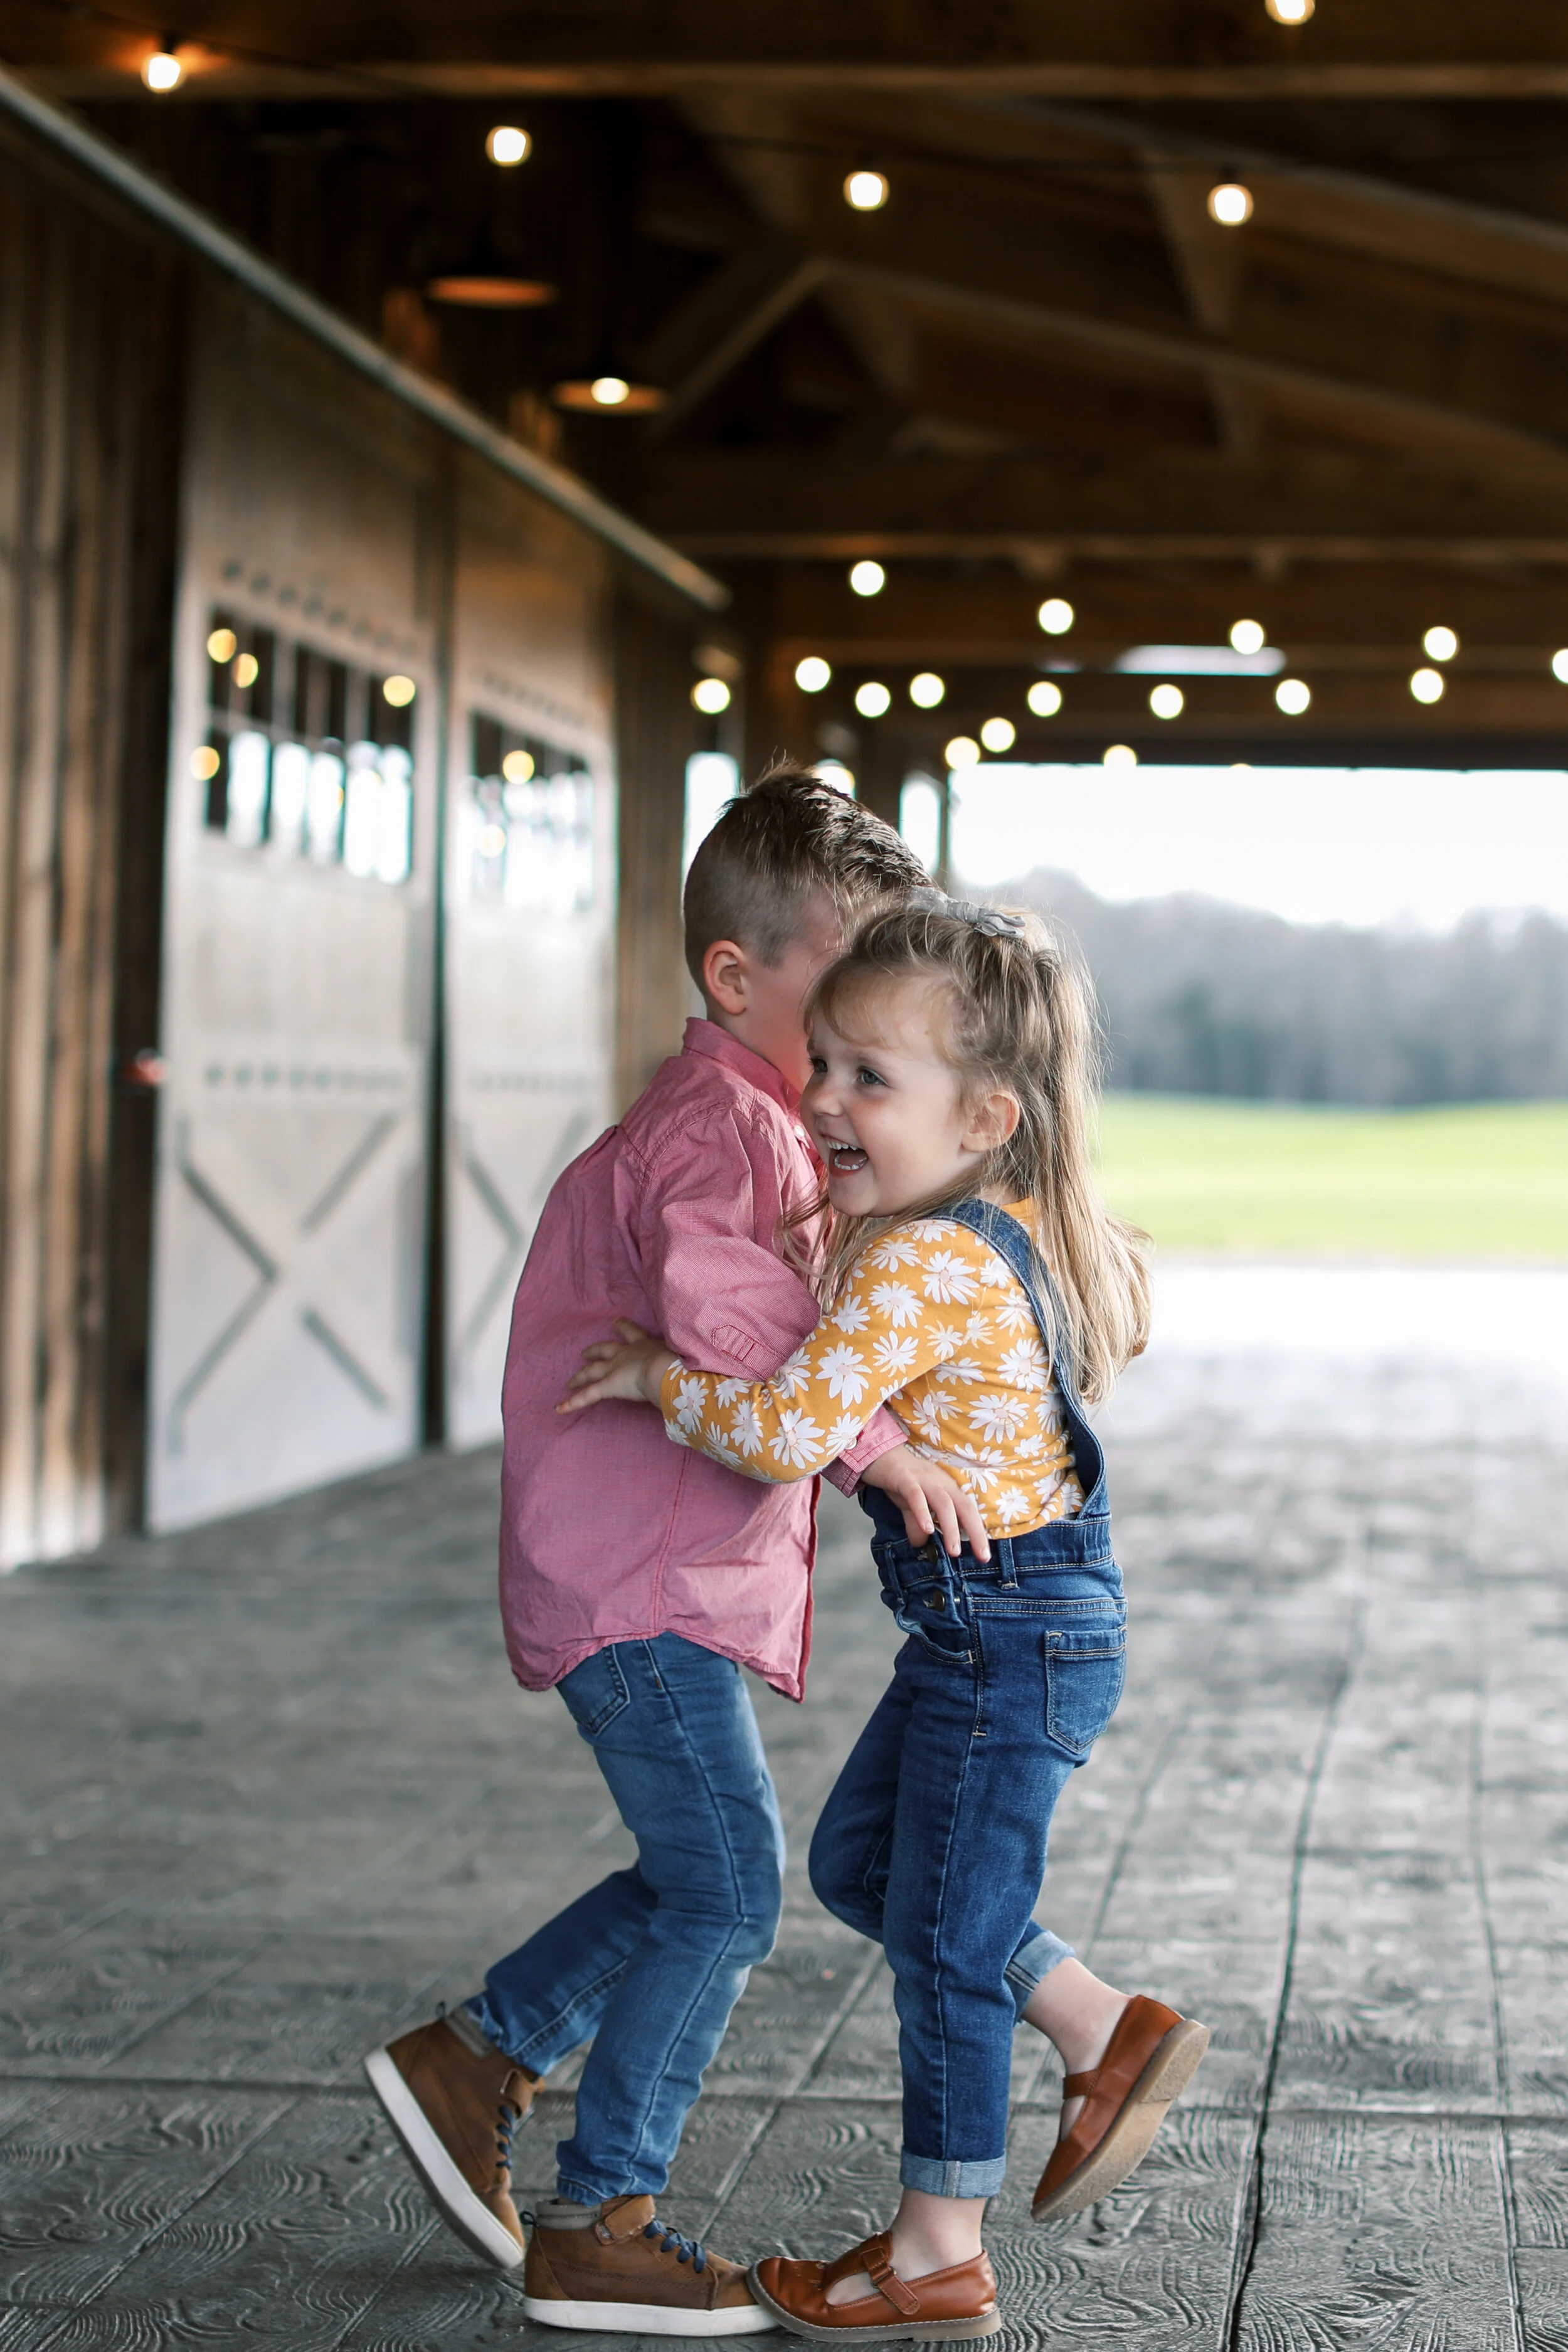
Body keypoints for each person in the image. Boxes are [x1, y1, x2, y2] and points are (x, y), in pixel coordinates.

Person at [364, 768, 980, 2336]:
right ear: (736, 978)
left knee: (695, 1875)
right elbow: (739, 1329)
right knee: (726, 1890)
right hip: (638, 1578)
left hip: (650, 1571)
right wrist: (877, 1446)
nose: (859, 1060)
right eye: (838, 1011)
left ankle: (477, 2058)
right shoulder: (720, 1136)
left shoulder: (761, 1128)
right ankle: (603, 2215)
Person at [562, 891, 1211, 2343]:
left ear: (984, 1116)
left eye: (871, 1080)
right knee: (865, 1864)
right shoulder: (997, 1225)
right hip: (1004, 1634)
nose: (824, 1100)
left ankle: (937, 2247)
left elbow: (790, 1424)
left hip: (1006, 1637)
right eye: (825, 1065)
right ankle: (1098, 2025)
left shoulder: (917, 1258)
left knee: (934, 1936)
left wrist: (653, 1379)